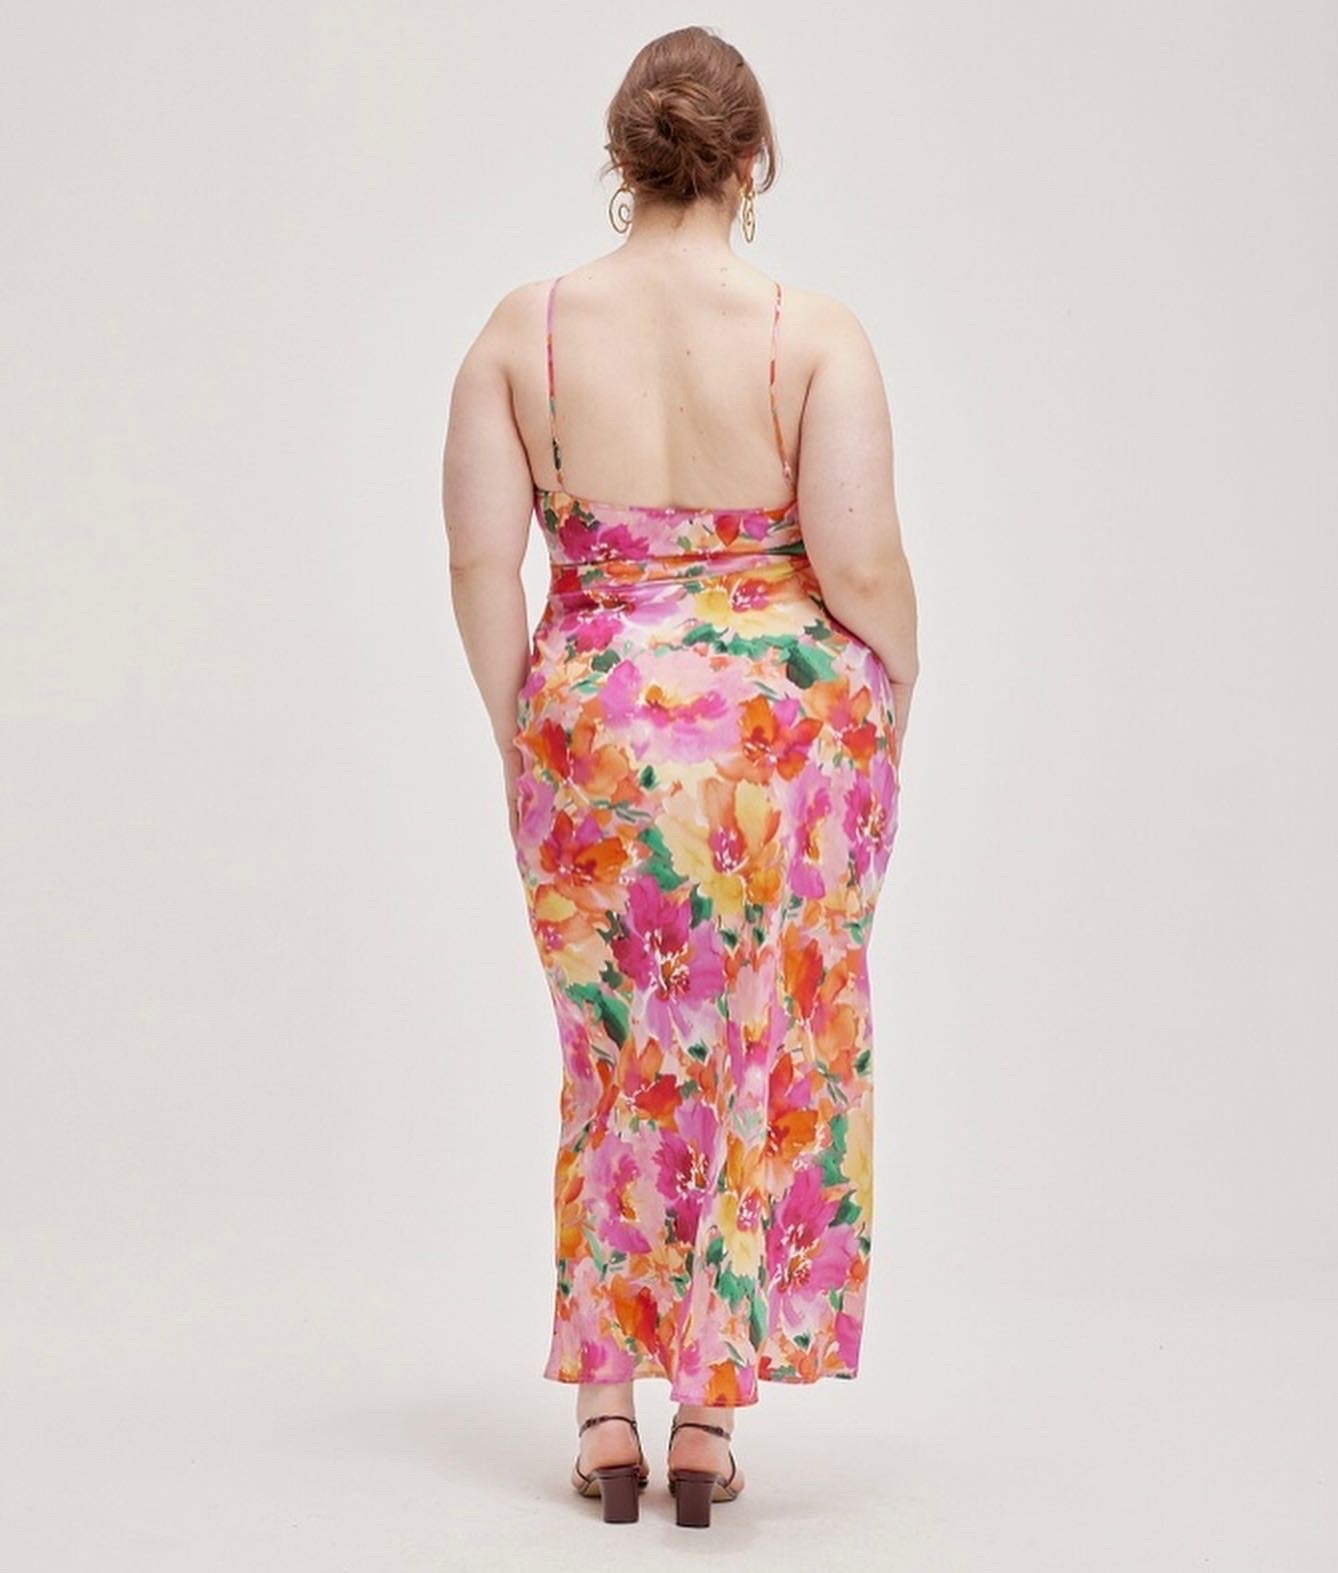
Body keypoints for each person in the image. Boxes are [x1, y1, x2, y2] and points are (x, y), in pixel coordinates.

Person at [442, 24, 919, 1528]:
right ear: (753, 159)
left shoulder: (522, 332)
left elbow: (481, 562)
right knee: (755, 1053)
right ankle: (707, 1417)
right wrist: (900, 684)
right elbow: (858, 562)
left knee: (616, 1058)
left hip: (593, 730)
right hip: (779, 745)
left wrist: (526, 729)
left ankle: (603, 1407)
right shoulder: (809, 334)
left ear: (621, 153)